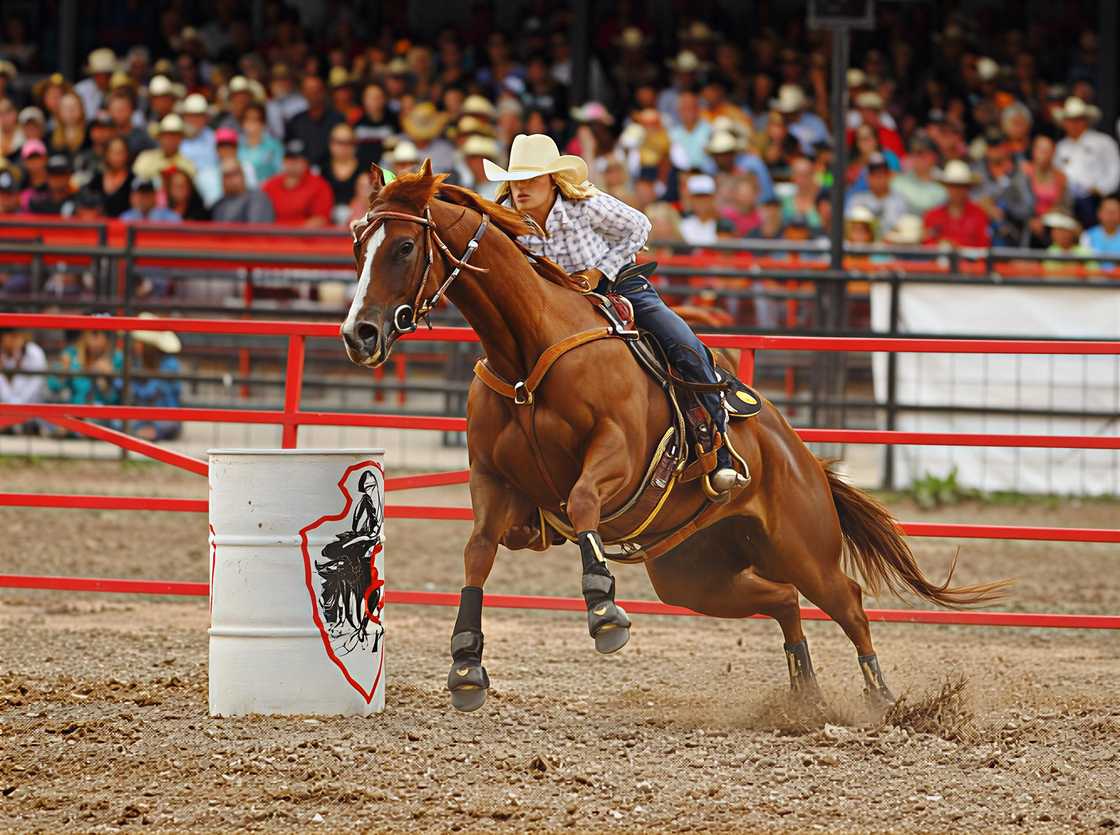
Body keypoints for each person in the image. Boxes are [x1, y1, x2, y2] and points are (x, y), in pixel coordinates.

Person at [484, 133, 748, 494]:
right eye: (515, 181)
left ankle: (718, 444)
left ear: (552, 181)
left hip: (619, 287)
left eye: (530, 179)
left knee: (682, 343)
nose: (521, 188)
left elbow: (639, 226)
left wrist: (598, 272)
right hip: (556, 306)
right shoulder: (507, 222)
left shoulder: (585, 204)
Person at [1054, 97, 1120, 228]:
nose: (1073, 124)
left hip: (1095, 200)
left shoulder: (1103, 142)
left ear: (1085, 121)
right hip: (1068, 201)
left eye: (1077, 119)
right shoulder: (1061, 147)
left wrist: (1101, 189)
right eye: (1069, 120)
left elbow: (1115, 169)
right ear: (1064, 123)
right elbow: (1057, 172)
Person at [47, 326, 123, 414]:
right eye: (94, 333)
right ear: (85, 335)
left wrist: (106, 382)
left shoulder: (117, 359)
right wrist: (63, 371)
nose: (98, 340)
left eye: (103, 335)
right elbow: (53, 387)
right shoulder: (71, 354)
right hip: (74, 415)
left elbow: (119, 401)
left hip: (102, 417)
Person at [129, 316, 182, 441]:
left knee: (169, 425)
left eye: (139, 342)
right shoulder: (136, 363)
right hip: (141, 417)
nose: (135, 345)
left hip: (165, 416)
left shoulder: (169, 364)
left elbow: (151, 391)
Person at [262, 139, 333, 226]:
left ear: (306, 162)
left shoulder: (320, 186)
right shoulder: (270, 185)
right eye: (289, 159)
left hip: (305, 237)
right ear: (283, 161)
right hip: (273, 236)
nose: (293, 163)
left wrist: (289, 234)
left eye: (298, 159)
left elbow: (320, 220)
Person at [923, 160, 991, 248]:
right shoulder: (932, 216)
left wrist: (958, 248)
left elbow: (984, 247)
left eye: (960, 186)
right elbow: (927, 245)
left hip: (970, 261)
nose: (956, 191)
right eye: (952, 186)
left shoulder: (979, 215)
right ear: (946, 187)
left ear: (968, 188)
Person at [284, 74, 343, 169]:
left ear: (323, 91)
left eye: (316, 89)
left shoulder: (338, 119)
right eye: (309, 90)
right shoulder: (295, 121)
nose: (313, 93)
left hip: (332, 172)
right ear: (303, 93)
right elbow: (290, 151)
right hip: (304, 173)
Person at [0, 319, 47, 434]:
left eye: (17, 335)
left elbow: (34, 390)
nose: (15, 339)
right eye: (11, 335)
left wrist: (13, 414)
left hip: (30, 412)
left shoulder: (35, 353)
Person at [848, 152, 910, 235]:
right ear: (867, 177)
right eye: (874, 175)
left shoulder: (900, 201)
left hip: (891, 246)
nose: (878, 179)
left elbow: (905, 230)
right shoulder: (857, 200)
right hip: (863, 246)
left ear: (889, 176)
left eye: (881, 174)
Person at [890, 133, 947, 217]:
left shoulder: (947, 181)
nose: (917, 158)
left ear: (934, 156)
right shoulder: (899, 182)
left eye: (921, 153)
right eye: (914, 153)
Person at [133, 114, 196, 180]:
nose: (171, 140)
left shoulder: (187, 165)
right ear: (159, 137)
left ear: (181, 139)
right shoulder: (144, 158)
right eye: (166, 136)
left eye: (175, 136)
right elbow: (136, 182)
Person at [211, 158, 274, 223]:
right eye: (226, 176)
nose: (230, 180)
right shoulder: (220, 204)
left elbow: (256, 229)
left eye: (234, 174)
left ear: (242, 175)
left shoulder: (257, 198)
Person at [322, 122, 361, 223]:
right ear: (331, 144)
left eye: (348, 142)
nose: (344, 147)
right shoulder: (322, 168)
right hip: (326, 222)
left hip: (357, 221)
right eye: (339, 142)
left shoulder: (365, 169)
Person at [679, 173, 733, 244]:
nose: (702, 201)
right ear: (691, 199)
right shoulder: (683, 225)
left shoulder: (724, 226)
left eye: (706, 196)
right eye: (697, 197)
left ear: (713, 198)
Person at [237, 102, 282, 184]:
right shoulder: (236, 145)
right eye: (247, 119)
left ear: (263, 123)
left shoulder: (274, 145)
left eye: (255, 119)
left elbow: (280, 173)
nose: (250, 123)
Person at [89, 135, 133, 217]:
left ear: (127, 154)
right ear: (106, 154)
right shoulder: (96, 180)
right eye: (113, 152)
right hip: (100, 226)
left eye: (120, 152)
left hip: (126, 226)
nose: (116, 157)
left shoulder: (133, 180)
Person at [1079, 195, 1120, 261]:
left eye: (1115, 212)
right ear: (1099, 213)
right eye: (1108, 212)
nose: (1111, 216)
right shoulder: (1087, 236)